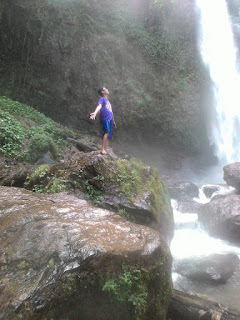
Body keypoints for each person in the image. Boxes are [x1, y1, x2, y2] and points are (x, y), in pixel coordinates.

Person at [90, 87, 116, 155]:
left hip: (110, 118)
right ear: (102, 92)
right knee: (106, 131)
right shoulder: (102, 99)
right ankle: (102, 149)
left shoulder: (108, 101)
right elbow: (99, 106)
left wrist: (113, 121)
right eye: (105, 89)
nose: (107, 89)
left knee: (109, 135)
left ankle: (105, 150)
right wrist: (95, 113)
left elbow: (111, 111)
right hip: (105, 118)